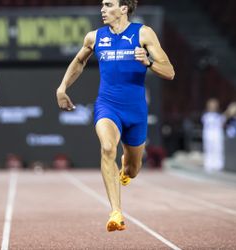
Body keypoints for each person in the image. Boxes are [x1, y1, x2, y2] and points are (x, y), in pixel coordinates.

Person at [56, 0, 174, 232]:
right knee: (108, 147)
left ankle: (126, 167)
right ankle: (116, 213)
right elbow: (79, 61)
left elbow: (169, 71)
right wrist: (62, 88)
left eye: (108, 5)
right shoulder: (94, 37)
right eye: (102, 5)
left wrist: (148, 62)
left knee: (133, 169)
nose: (102, 9)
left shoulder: (143, 33)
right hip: (107, 106)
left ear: (124, 8)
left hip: (136, 111)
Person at [201, 98, 225, 172]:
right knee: (208, 149)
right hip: (208, 135)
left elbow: (221, 124)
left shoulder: (219, 116)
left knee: (218, 149)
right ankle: (208, 165)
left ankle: (218, 165)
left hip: (217, 135)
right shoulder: (206, 116)